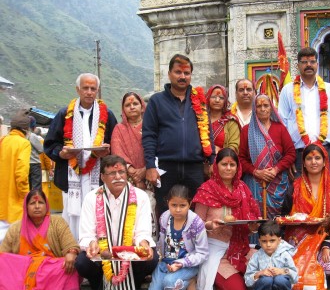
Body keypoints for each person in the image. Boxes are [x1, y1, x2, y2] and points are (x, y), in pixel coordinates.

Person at [75, 155, 158, 290]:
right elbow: (86, 234)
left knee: (152, 258)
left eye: (122, 173)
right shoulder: (91, 198)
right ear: (102, 177)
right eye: (112, 173)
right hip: (102, 252)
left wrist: (144, 243)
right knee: (82, 262)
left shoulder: (140, 197)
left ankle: (135, 284)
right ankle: (98, 286)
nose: (118, 177)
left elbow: (142, 231)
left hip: (128, 251)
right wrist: (91, 244)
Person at [43, 73, 117, 240]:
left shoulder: (107, 114)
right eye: (86, 88)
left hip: (97, 176)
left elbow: (114, 144)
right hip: (71, 177)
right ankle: (73, 251)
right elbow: (50, 144)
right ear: (78, 89)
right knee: (72, 217)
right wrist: (61, 153)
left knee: (97, 215)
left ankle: (95, 254)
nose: (89, 92)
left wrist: (105, 153)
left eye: (93, 89)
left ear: (97, 91)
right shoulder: (64, 114)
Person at [143, 54, 214, 217]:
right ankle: (168, 243)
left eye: (187, 73)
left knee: (197, 212)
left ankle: (195, 243)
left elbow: (207, 132)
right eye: (178, 72)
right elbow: (149, 135)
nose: (182, 77)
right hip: (166, 167)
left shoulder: (199, 101)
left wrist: (211, 161)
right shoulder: (156, 101)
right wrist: (150, 166)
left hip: (194, 167)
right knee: (166, 212)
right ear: (169, 74)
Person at [193, 148, 261, 290]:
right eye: (224, 164)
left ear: (238, 167)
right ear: (216, 166)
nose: (228, 168)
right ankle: (217, 280)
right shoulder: (207, 189)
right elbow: (194, 225)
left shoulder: (243, 188)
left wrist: (252, 227)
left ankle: (226, 280)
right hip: (215, 250)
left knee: (266, 277)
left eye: (232, 164)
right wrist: (210, 225)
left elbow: (252, 219)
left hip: (240, 247)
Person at [0, 189, 80, 290]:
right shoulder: (16, 227)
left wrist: (71, 253)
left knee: (69, 267)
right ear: (26, 206)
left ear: (46, 205)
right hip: (23, 271)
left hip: (49, 271)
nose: (37, 207)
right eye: (32, 203)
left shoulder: (57, 222)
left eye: (41, 203)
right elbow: (4, 254)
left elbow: (70, 245)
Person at [281, 143, 330, 290]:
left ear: (324, 161)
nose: (313, 162)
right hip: (299, 239)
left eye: (317, 158)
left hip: (326, 239)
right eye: (309, 158)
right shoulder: (295, 187)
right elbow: (284, 216)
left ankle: (317, 272)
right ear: (303, 162)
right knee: (296, 265)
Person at [278, 47, 330, 177]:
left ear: (317, 64)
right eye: (304, 62)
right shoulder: (288, 91)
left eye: (312, 61)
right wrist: (287, 157)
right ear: (298, 65)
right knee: (300, 195)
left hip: (325, 151)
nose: (308, 65)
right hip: (298, 154)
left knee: (326, 195)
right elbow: (283, 125)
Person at [146, 185, 209, 290]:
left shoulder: (196, 223)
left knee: (169, 283)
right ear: (168, 203)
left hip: (187, 265)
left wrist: (181, 263)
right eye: (174, 205)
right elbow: (161, 242)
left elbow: (203, 253)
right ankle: (170, 285)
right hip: (165, 264)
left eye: (182, 205)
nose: (178, 210)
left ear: (189, 204)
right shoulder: (165, 218)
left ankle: (190, 282)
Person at [239, 93, 296, 218]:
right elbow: (241, 158)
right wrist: (256, 172)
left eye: (266, 105)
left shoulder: (280, 129)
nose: (263, 109)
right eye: (259, 106)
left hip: (278, 183)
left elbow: (291, 153)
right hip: (255, 183)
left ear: (271, 108)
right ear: (254, 109)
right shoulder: (246, 131)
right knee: (256, 218)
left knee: (277, 222)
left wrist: (276, 169)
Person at [111, 92, 157, 239]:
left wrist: (145, 170)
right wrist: (132, 172)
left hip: (150, 174)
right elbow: (117, 152)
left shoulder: (152, 125)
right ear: (123, 109)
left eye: (135, 104)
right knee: (129, 212)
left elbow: (158, 148)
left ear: (142, 107)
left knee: (150, 209)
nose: (132, 107)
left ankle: (150, 243)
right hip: (127, 179)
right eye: (127, 105)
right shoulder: (119, 129)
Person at [242, 220, 303, 290]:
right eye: (264, 241)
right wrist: (260, 273)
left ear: (279, 240)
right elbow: (247, 280)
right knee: (266, 280)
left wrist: (282, 271)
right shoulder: (256, 256)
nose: (268, 245)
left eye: (272, 241)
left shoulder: (285, 254)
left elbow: (295, 277)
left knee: (280, 280)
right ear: (259, 241)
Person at [0, 109, 31, 226]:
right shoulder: (23, 143)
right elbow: (21, 174)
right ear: (26, 129)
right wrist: (26, 196)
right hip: (15, 205)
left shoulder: (2, 141)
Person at [206, 84, 241, 154]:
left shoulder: (231, 121)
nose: (217, 100)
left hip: (223, 161)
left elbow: (234, 146)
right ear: (208, 98)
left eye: (221, 98)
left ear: (225, 101)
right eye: (213, 97)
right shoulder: (200, 119)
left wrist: (219, 151)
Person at [28, 116, 44, 190]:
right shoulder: (32, 136)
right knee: (36, 188)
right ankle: (35, 201)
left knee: (28, 187)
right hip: (34, 164)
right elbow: (41, 149)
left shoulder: (21, 135)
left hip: (25, 163)